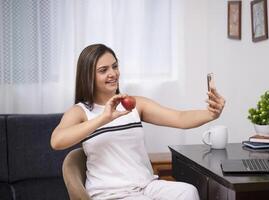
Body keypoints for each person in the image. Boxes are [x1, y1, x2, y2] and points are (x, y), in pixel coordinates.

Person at [51, 44, 225, 200]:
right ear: (88, 76)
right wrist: (103, 118)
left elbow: (180, 118)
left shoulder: (135, 104)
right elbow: (57, 141)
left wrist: (211, 114)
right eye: (103, 70)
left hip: (146, 185)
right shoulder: (80, 111)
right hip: (110, 193)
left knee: (187, 192)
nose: (112, 74)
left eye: (115, 66)